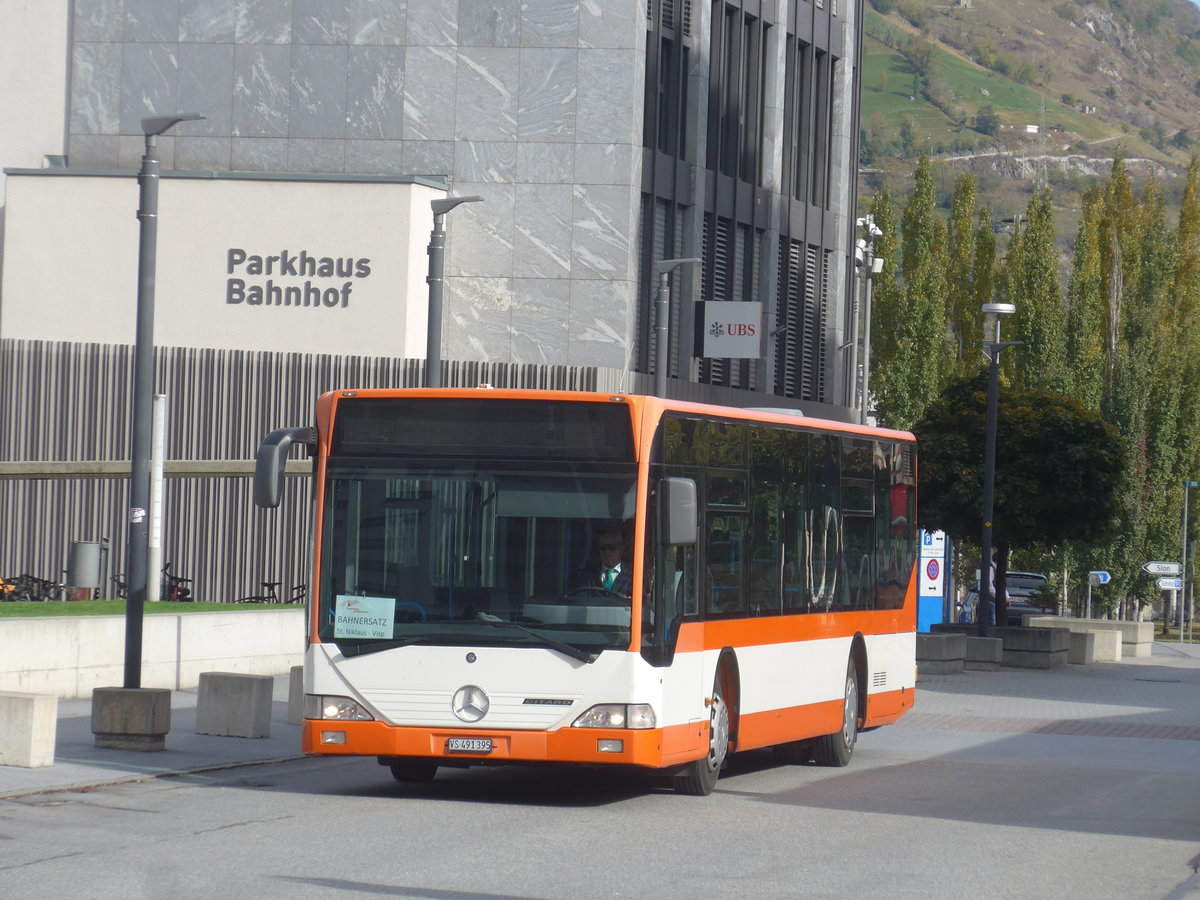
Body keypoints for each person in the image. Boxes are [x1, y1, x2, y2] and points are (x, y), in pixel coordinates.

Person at [576, 524, 632, 596]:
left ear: (622, 550)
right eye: (602, 547)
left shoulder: (633, 575)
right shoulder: (589, 575)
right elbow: (580, 600)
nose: (607, 552)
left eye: (612, 548)